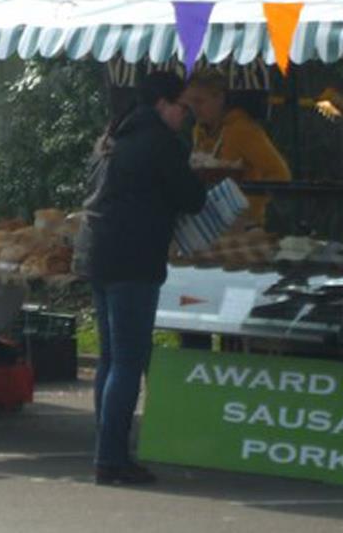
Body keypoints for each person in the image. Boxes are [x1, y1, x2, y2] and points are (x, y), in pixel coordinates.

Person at [78, 72, 206, 486]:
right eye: (183, 106)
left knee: (112, 358)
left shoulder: (115, 136)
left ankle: (107, 449)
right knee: (129, 360)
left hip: (100, 253)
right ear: (163, 105)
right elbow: (192, 197)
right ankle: (112, 457)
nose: (187, 115)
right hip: (134, 259)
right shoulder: (159, 142)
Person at [181, 69, 292, 227]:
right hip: (208, 223)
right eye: (190, 103)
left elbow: (280, 174)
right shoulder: (198, 131)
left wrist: (247, 204)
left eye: (199, 101)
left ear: (220, 98)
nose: (194, 109)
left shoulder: (243, 130)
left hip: (243, 225)